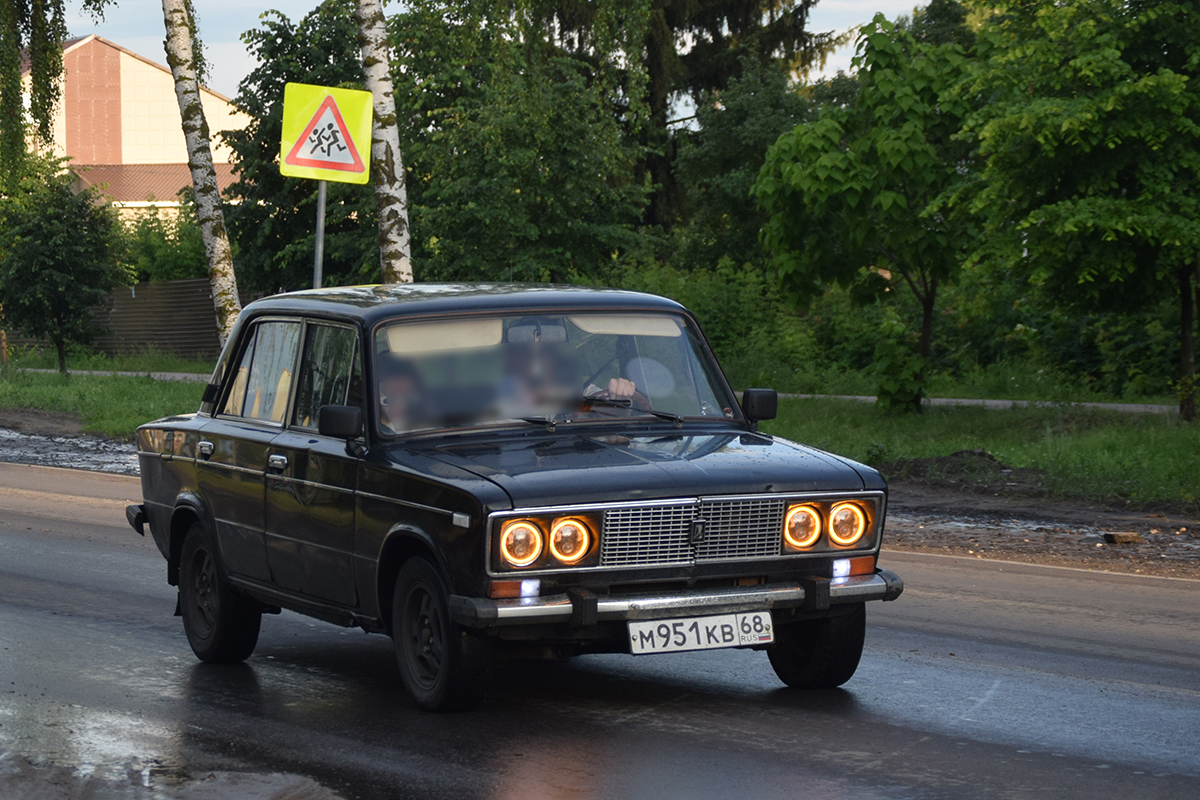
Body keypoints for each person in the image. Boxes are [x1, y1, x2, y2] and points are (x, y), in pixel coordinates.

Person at [377, 355, 424, 433]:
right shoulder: (359, 433)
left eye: (408, 397)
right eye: (391, 397)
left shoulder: (425, 428)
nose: (401, 406)